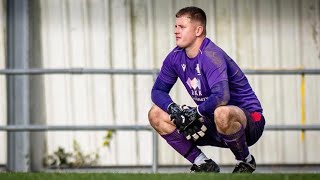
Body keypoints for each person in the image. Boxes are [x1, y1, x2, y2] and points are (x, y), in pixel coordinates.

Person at [148, 6, 265, 173]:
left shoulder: (211, 55)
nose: (176, 31)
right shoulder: (175, 57)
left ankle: (245, 161)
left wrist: (194, 113)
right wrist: (175, 111)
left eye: (182, 27)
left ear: (198, 30)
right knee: (155, 113)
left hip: (249, 121)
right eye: (175, 26)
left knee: (222, 112)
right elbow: (157, 91)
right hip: (211, 119)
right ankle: (203, 163)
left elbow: (221, 96)